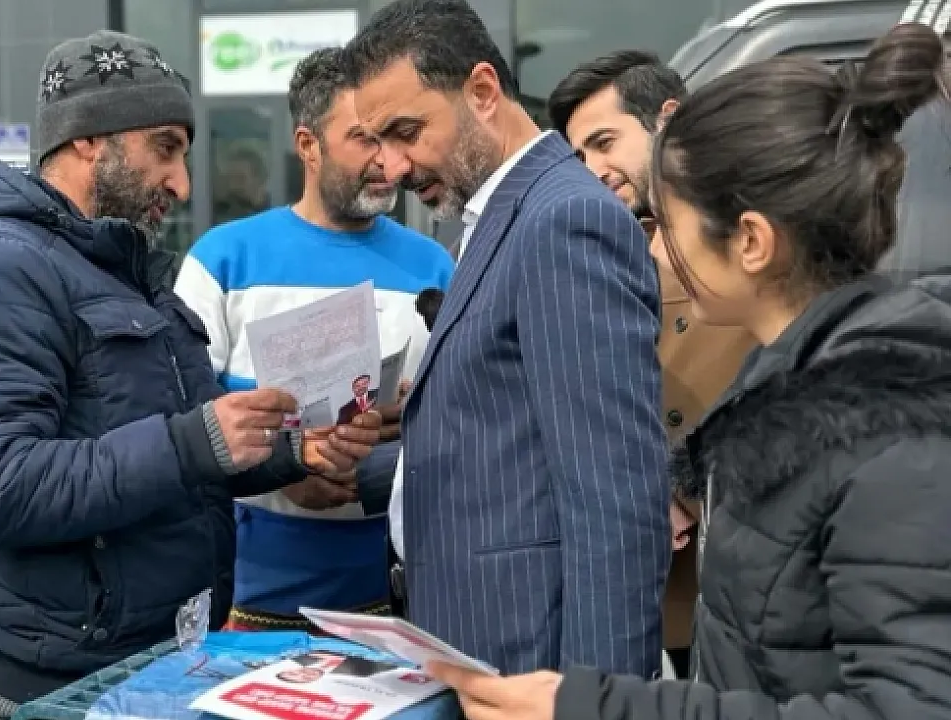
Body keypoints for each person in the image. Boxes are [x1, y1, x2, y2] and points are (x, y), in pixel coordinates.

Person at [426, 21, 951, 720]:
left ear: (752, 241)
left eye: (669, 229)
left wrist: (600, 708)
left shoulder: (891, 435)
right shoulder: (788, 380)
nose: (658, 255)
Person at [0, 32, 381, 719]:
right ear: (86, 139)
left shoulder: (125, 272)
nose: (181, 183)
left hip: (156, 672)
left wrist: (289, 451)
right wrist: (195, 441)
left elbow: (183, 451)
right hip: (56, 696)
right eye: (165, 148)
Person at [342, 0, 669, 678]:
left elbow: (615, 502)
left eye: (407, 132)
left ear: (483, 91)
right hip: (478, 642)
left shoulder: (564, 220)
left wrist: (597, 701)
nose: (395, 166)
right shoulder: (497, 216)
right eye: (379, 141)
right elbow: (509, 437)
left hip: (531, 666)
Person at [175, 47, 453, 632]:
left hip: (398, 602)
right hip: (244, 602)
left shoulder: (434, 266)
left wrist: (416, 418)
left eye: (392, 138)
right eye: (363, 139)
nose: (387, 161)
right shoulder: (221, 261)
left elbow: (471, 422)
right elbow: (179, 425)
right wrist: (287, 467)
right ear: (308, 144)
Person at [547, 50, 758, 678]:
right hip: (651, 594)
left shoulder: (754, 233)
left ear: (668, 119)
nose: (594, 170)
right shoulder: (610, 246)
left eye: (605, 142)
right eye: (579, 157)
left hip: (747, 579)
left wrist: (682, 487)